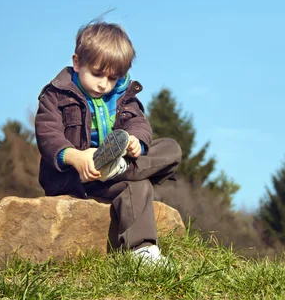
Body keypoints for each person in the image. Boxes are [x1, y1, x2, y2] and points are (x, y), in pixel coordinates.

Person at [35, 19, 181, 264]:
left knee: (170, 149)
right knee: (140, 182)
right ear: (77, 62)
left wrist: (137, 142)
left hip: (112, 176)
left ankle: (141, 251)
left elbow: (139, 123)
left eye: (113, 78)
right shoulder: (56, 95)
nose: (103, 84)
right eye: (97, 74)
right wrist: (76, 157)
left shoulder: (123, 95)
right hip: (75, 178)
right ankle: (116, 171)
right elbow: (47, 135)